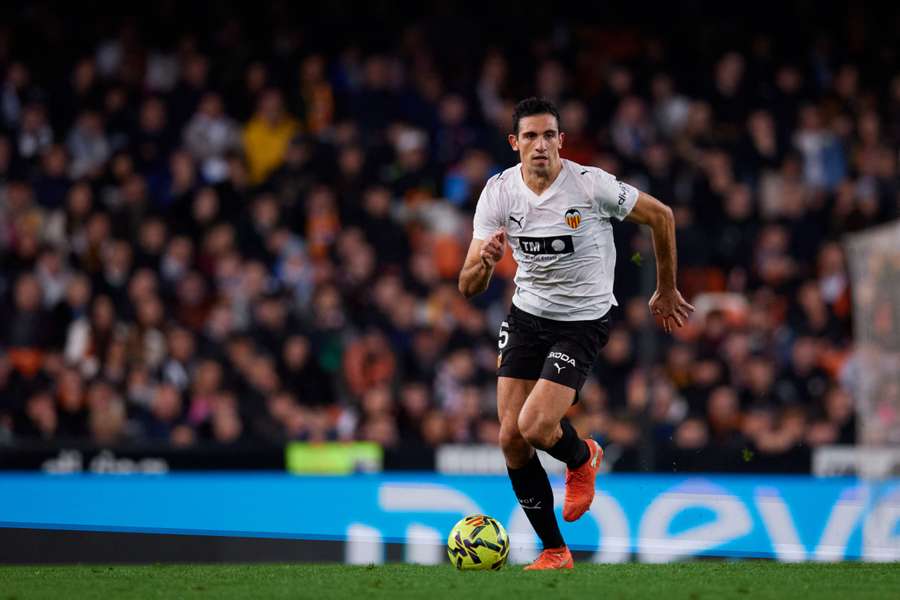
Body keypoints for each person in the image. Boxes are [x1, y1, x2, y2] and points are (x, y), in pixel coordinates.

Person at [458, 97, 694, 570]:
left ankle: (581, 455)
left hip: (581, 322)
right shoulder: (499, 193)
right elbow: (467, 285)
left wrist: (665, 288)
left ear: (561, 141)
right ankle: (554, 550)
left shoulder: (591, 185)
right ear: (515, 143)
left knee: (536, 426)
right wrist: (485, 263)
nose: (540, 145)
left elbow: (662, 216)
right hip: (526, 316)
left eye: (549, 135)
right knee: (510, 438)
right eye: (530, 136)